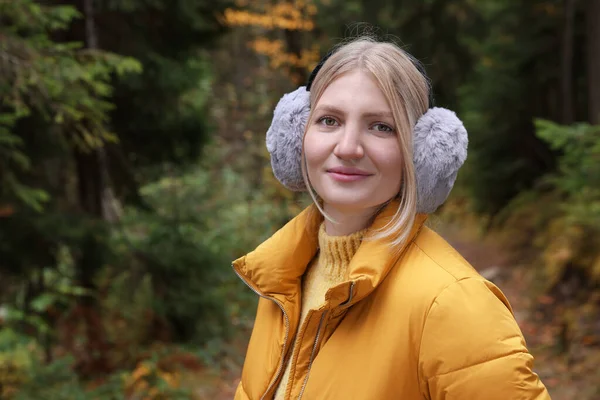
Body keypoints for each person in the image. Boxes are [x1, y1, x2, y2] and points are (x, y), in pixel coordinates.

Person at [232, 36, 551, 400]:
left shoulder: (451, 303)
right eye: (329, 120)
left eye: (381, 126)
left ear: (421, 154)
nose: (348, 147)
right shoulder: (282, 278)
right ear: (297, 136)